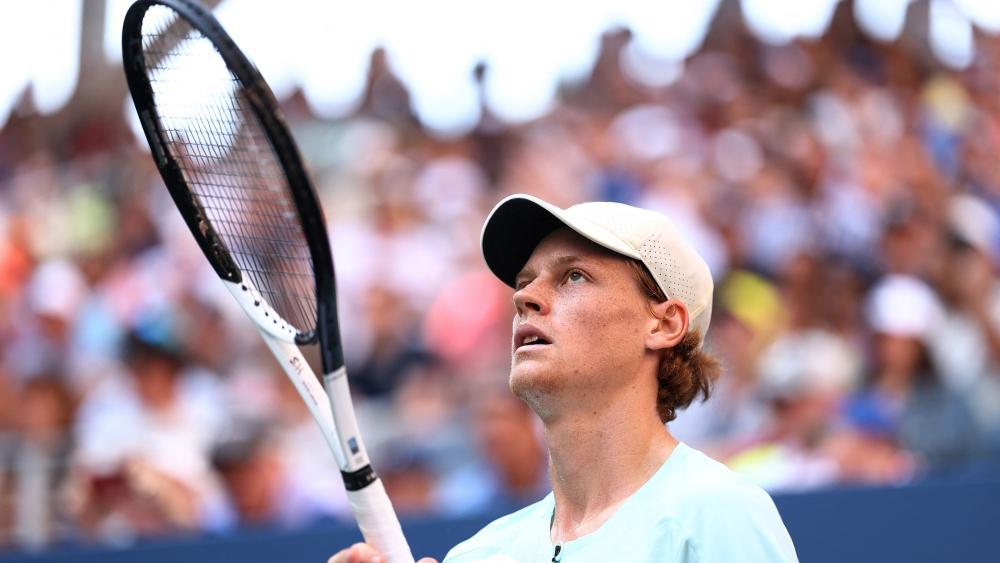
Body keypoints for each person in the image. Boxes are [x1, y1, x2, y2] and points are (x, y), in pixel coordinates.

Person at [331, 194, 797, 562]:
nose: (524, 298)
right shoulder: (478, 555)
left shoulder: (720, 514)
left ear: (663, 324)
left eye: (574, 276)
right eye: (523, 282)